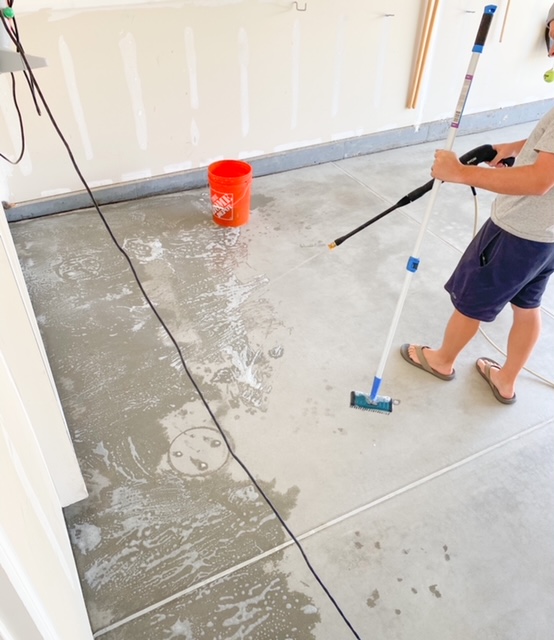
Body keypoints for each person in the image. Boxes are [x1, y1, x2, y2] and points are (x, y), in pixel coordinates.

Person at [401, 7, 554, 405]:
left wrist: (459, 173)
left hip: (520, 231)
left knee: (474, 301)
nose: (550, 47)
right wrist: (515, 149)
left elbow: (540, 181)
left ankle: (441, 360)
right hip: (547, 240)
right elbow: (546, 155)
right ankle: (505, 381)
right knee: (528, 304)